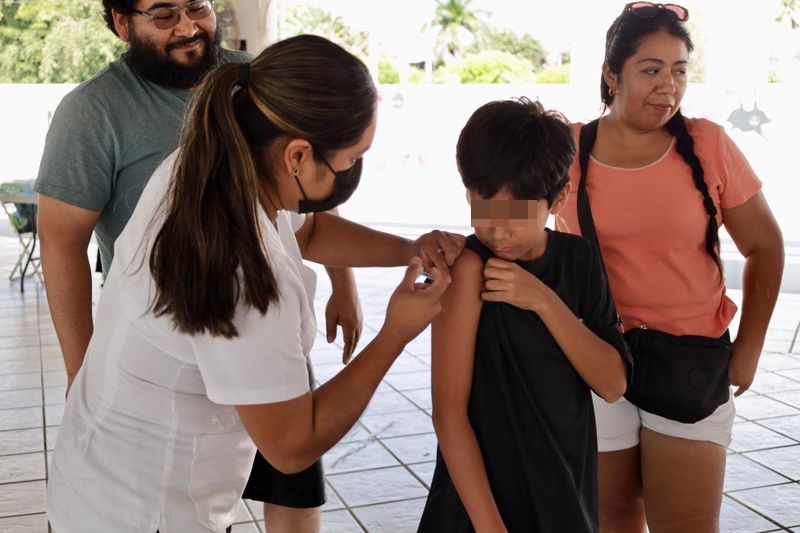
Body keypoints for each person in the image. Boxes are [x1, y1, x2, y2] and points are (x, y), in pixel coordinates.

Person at [46, 34, 465, 532]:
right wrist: (396, 332)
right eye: (353, 158)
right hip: (144, 511)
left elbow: (310, 231)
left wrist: (409, 250)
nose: (355, 170)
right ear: (297, 156)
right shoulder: (240, 269)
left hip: (98, 477)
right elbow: (291, 447)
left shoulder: (207, 166)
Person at [34, 2, 364, 529]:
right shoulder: (95, 112)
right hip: (171, 354)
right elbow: (60, 242)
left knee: (284, 492)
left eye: (197, 7)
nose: (188, 27)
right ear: (121, 22)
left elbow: (310, 215)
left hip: (245, 340)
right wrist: (83, 374)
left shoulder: (247, 83)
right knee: (207, 470)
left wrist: (361, 274)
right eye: (164, 15)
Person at [555, 3, 785, 531]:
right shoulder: (567, 148)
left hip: (692, 365)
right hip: (597, 359)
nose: (668, 86)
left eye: (679, 70)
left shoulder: (707, 144)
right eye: (651, 69)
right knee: (612, 519)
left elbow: (765, 247)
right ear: (612, 74)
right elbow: (509, 220)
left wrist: (749, 349)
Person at [417, 98, 630, 532]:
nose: (498, 229)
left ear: (558, 198)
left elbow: (612, 384)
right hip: (478, 509)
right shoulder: (468, 269)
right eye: (484, 205)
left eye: (517, 212)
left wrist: (543, 301)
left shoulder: (579, 260)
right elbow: (448, 414)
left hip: (563, 490)